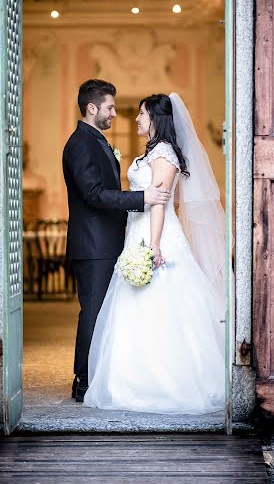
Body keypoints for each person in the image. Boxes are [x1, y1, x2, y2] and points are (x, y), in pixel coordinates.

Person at [84, 93, 226, 414]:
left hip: (154, 234)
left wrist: (155, 245)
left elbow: (159, 202)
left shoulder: (163, 153)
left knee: (160, 303)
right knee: (135, 305)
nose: (136, 119)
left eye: (142, 114)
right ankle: (132, 378)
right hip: (137, 232)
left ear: (157, 119)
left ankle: (162, 381)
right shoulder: (152, 151)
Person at [62, 80, 170, 403]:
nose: (114, 114)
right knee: (93, 312)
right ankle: (83, 381)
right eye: (110, 107)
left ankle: (95, 376)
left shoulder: (96, 141)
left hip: (107, 243)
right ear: (92, 108)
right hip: (93, 246)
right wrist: (142, 198)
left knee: (103, 313)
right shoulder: (81, 144)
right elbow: (94, 195)